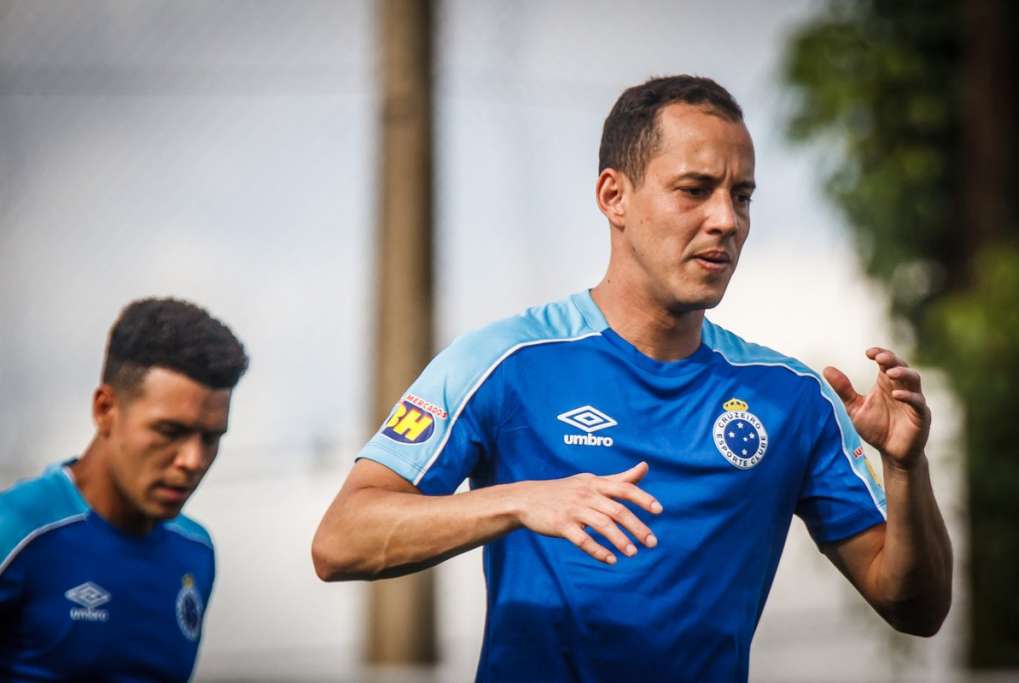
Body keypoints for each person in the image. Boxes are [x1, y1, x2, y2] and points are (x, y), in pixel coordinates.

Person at [312, 75, 953, 682]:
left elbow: (917, 610)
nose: (726, 220)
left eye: (742, 195)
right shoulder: (507, 362)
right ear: (614, 197)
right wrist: (519, 500)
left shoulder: (790, 398)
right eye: (695, 189)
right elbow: (341, 540)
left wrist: (904, 470)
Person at [0, 297, 248, 681]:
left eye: (211, 438)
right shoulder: (15, 531)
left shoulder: (195, 551)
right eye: (171, 431)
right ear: (105, 410)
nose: (193, 460)